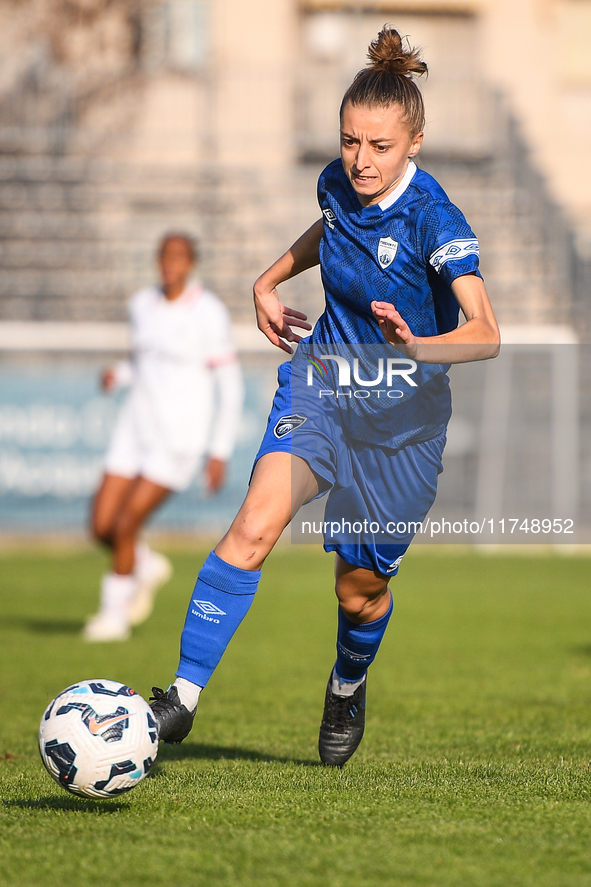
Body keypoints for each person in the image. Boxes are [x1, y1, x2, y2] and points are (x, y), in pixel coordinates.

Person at [149, 29, 500, 765]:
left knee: (357, 589)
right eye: (349, 142)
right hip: (324, 386)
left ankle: (347, 680)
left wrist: (416, 349)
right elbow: (328, 227)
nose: (361, 160)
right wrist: (267, 279)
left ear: (415, 143)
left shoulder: (434, 219)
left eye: (378, 145)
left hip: (403, 425)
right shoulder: (338, 183)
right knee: (254, 523)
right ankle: (179, 699)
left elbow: (485, 331)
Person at [84, 233, 243, 642]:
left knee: (126, 523)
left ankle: (113, 618)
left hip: (179, 438)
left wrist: (218, 450)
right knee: (101, 526)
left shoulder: (208, 312)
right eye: (165, 256)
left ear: (191, 263)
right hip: (134, 428)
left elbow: (230, 384)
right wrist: (118, 374)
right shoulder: (142, 305)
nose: (171, 263)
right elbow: (144, 363)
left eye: (179, 256)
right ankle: (146, 565)